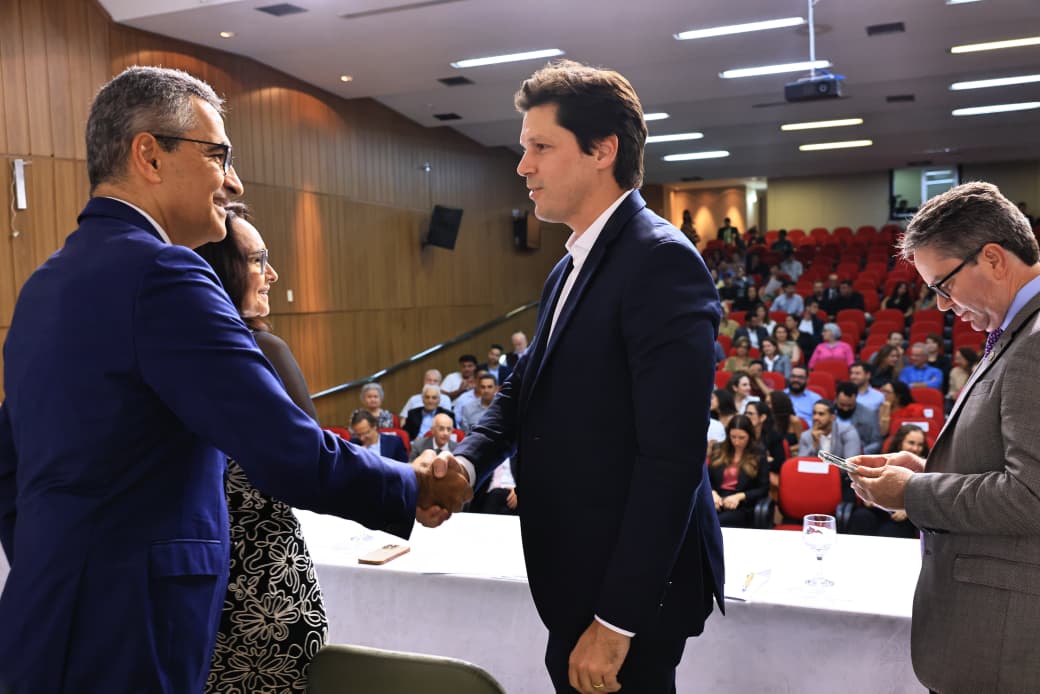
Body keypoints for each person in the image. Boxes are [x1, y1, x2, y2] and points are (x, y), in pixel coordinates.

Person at [0, 66, 471, 693]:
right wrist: (409, 485)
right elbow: (282, 447)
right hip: (131, 628)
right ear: (150, 155)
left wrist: (64, 563)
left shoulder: (44, 283)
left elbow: (10, 465)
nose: (234, 180)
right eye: (217, 154)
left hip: (44, 614)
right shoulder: (165, 275)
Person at [437, 60, 724, 694]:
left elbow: (672, 459)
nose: (523, 166)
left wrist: (617, 621)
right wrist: (468, 460)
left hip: (625, 592)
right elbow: (524, 387)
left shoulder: (659, 261)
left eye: (540, 147)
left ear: (602, 151)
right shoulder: (571, 265)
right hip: (579, 566)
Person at [849, 181, 1040, 693]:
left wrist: (913, 492)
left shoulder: (1035, 341)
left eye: (944, 285)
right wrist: (926, 471)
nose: (941, 306)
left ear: (993, 259)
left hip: (1005, 650)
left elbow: (1030, 496)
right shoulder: (1018, 332)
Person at [194, 204, 329, 692]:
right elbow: (313, 464)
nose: (272, 275)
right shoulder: (262, 350)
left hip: (201, 597)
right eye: (257, 260)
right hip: (265, 598)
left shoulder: (177, 355)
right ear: (221, 270)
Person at [707, 415, 769, 528]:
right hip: (717, 500)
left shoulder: (758, 454)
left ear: (749, 436)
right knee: (699, 518)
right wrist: (712, 492)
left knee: (715, 522)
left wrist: (740, 496)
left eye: (741, 438)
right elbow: (707, 478)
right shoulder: (718, 449)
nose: (736, 442)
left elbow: (763, 489)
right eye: (733, 437)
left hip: (742, 505)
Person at [798, 400, 863, 458]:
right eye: (814, 413)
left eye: (821, 414)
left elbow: (851, 463)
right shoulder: (806, 436)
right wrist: (815, 445)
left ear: (832, 417)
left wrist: (829, 467)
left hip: (839, 468)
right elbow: (801, 463)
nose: (815, 417)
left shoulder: (848, 432)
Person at [834, 381, 883, 454]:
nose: (845, 409)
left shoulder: (869, 415)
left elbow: (877, 442)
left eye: (849, 405)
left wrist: (862, 452)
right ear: (836, 397)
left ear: (856, 397)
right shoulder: (826, 412)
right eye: (842, 405)